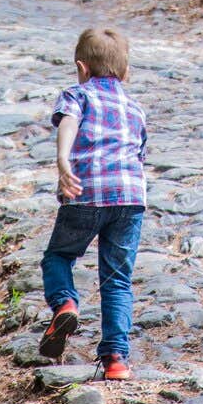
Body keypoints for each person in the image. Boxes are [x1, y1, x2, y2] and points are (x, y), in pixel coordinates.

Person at [38, 26, 148, 380]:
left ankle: (65, 303)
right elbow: (140, 154)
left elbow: (68, 122)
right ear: (126, 72)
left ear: (81, 68)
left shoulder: (78, 94)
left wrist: (63, 160)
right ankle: (116, 359)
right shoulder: (135, 108)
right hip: (130, 198)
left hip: (85, 194)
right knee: (117, 279)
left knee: (58, 256)